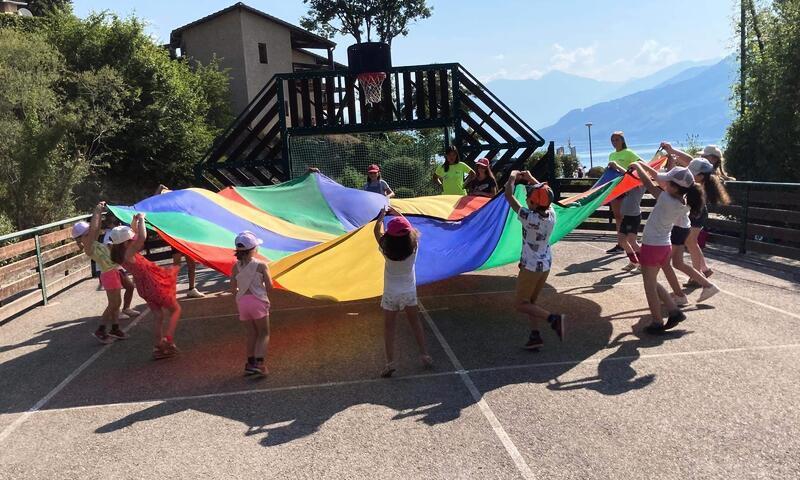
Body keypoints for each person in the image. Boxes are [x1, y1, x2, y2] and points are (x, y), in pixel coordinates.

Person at [629, 163, 716, 334]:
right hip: (664, 246)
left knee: (649, 286)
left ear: (675, 188)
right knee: (651, 281)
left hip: (653, 246)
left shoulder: (666, 199)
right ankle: (674, 312)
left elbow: (648, 184)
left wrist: (639, 167)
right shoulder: (682, 202)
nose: (665, 184)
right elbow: (657, 185)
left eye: (668, 182)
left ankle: (657, 322)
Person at [503, 170, 565, 349]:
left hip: (531, 267)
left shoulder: (528, 217)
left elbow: (508, 195)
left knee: (521, 304)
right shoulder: (551, 214)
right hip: (545, 264)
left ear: (531, 202)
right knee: (530, 303)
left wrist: (513, 176)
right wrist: (531, 178)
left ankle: (553, 319)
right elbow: (546, 195)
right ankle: (535, 335)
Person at [109, 213, 182, 359]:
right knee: (175, 310)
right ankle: (167, 342)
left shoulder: (119, 252)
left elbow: (135, 234)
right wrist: (142, 219)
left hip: (144, 288)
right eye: (130, 239)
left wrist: (134, 221)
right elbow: (141, 237)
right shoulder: (129, 252)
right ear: (125, 243)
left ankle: (158, 346)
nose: (133, 239)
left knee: (158, 315)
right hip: (152, 284)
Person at [373, 207, 433, 378]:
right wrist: (397, 213)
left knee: (389, 328)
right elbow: (411, 228)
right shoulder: (414, 248)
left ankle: (390, 362)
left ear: (390, 237)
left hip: (391, 293)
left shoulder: (386, 250)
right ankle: (424, 354)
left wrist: (382, 216)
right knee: (415, 323)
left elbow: (376, 231)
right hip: (408, 293)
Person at [71, 202, 132, 344]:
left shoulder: (93, 243)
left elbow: (95, 229)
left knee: (117, 303)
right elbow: (94, 229)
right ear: (82, 237)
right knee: (113, 304)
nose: (92, 233)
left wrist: (99, 213)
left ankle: (115, 328)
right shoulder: (89, 248)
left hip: (113, 272)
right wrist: (97, 210)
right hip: (108, 275)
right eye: (87, 233)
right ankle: (101, 329)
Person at [230, 231, 272, 376]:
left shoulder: (235, 267)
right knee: (264, 333)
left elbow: (232, 288)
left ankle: (250, 363)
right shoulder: (261, 265)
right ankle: (260, 364)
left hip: (242, 302)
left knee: (251, 333)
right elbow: (269, 286)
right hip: (257, 301)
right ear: (253, 249)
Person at [684, 157, 731, 285]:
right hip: (698, 212)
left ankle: (697, 275)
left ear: (700, 175)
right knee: (692, 243)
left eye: (692, 173)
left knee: (691, 243)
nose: (690, 175)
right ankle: (703, 270)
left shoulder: (700, 185)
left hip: (697, 213)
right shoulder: (703, 182)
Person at [155, 184, 204, 298]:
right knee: (176, 264)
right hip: (176, 239)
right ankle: (171, 289)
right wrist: (159, 189)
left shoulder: (187, 209)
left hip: (188, 239)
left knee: (191, 264)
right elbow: (154, 202)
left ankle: (192, 289)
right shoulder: (170, 210)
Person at [606, 131, 642, 254]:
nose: (614, 142)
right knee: (617, 216)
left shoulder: (629, 153)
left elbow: (641, 164)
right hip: (615, 188)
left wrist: (628, 171)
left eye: (617, 140)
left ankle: (629, 243)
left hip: (626, 189)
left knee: (626, 216)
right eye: (612, 140)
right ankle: (621, 244)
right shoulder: (611, 155)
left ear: (622, 140)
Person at [101, 212, 139, 319]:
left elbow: (132, 232)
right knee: (115, 293)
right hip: (111, 268)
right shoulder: (110, 234)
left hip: (117, 267)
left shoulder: (118, 230)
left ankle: (126, 308)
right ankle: (115, 313)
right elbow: (109, 246)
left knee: (130, 287)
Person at [607, 162, 643, 271]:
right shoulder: (630, 183)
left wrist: (617, 166)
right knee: (622, 241)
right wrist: (614, 169)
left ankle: (644, 262)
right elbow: (626, 176)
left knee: (632, 241)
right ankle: (633, 261)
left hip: (634, 217)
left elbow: (629, 176)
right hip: (626, 216)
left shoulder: (640, 184)